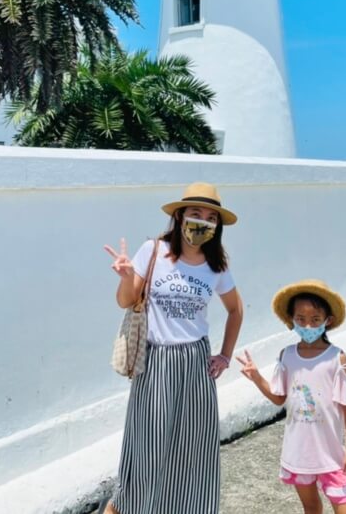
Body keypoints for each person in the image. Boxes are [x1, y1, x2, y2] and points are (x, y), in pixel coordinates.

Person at [103, 182, 244, 514]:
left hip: (195, 361)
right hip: (156, 360)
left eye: (211, 217)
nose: (203, 222)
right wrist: (125, 277)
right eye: (196, 213)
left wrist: (225, 355)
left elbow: (236, 310)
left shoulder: (216, 266)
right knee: (147, 447)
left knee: (193, 448)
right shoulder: (153, 251)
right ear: (180, 216)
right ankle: (122, 508)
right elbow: (126, 301)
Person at [237, 280, 346, 514]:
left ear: (328, 320)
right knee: (311, 508)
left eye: (315, 319)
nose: (307, 325)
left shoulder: (337, 358)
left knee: (344, 508)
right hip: (298, 453)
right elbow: (278, 397)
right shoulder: (287, 356)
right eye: (300, 319)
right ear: (291, 321)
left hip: (331, 455)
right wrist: (256, 377)